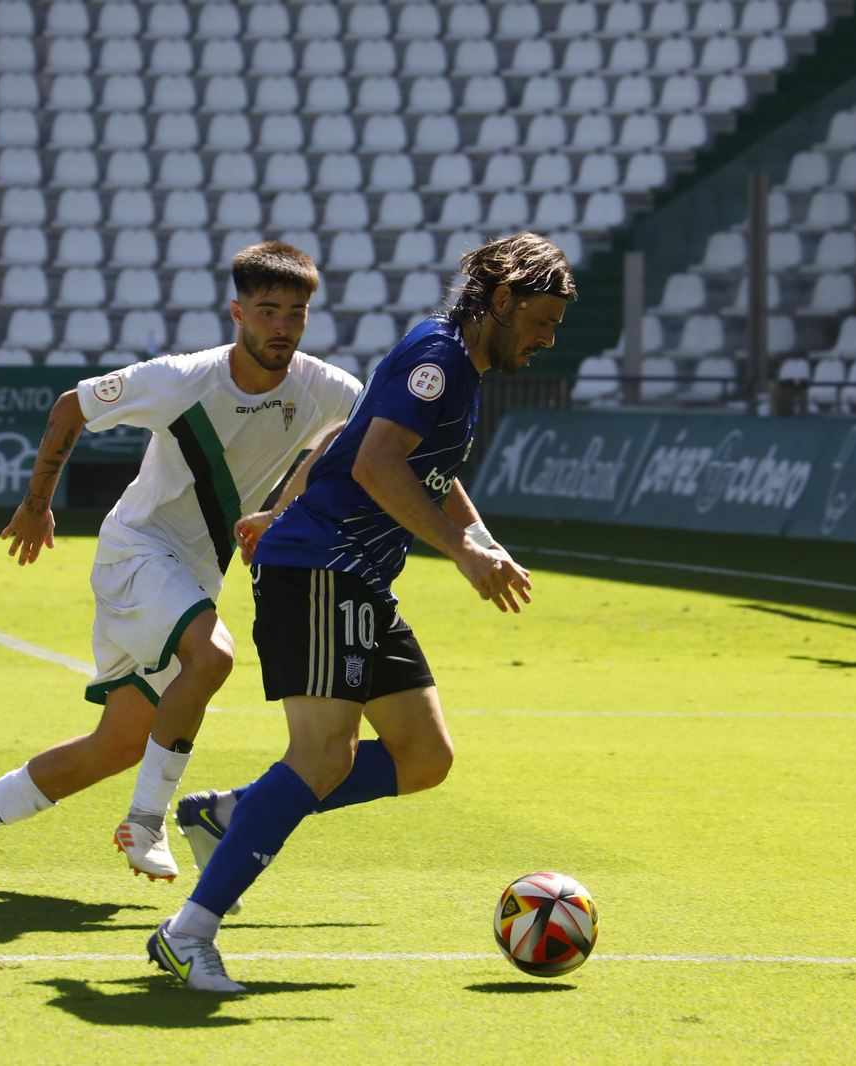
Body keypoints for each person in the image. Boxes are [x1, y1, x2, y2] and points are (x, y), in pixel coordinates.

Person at [146, 232, 576, 992]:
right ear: (501, 302)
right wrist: (459, 552)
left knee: (423, 758)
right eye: (543, 319)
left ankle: (237, 812)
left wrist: (480, 536)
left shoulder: (452, 360)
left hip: (357, 576)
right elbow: (377, 463)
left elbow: (361, 442)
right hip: (323, 569)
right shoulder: (440, 361)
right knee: (322, 756)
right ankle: (190, 931)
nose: (548, 337)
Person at [0, 242, 361, 892]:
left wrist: (284, 504)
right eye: (267, 311)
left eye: (295, 314)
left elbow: (366, 430)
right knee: (213, 658)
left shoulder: (321, 387)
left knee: (122, 741)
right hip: (138, 553)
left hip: (195, 572)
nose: (282, 328)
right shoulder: (184, 378)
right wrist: (37, 503)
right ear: (236, 312)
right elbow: (71, 406)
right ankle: (146, 821)